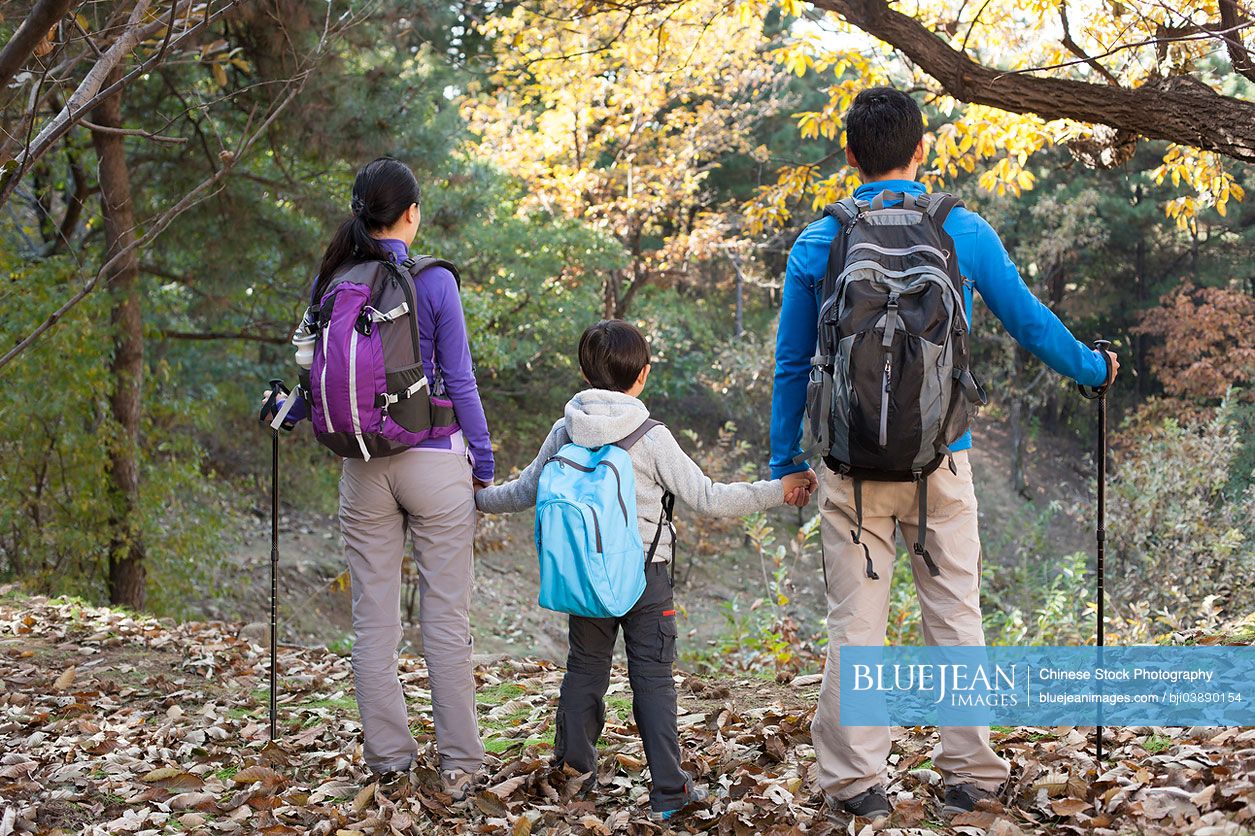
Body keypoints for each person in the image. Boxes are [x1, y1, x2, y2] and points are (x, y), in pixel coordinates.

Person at [769, 88, 1119, 819]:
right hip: (942, 463)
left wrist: (785, 462)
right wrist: (1093, 368)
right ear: (920, 150)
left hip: (848, 469)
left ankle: (855, 784)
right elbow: (1028, 321)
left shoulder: (818, 240)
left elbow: (792, 365)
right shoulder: (959, 230)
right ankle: (970, 775)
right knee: (954, 615)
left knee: (855, 625)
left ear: (849, 155)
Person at [475, 319, 795, 821]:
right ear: (642, 374)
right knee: (652, 678)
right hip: (645, 576)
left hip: (583, 575)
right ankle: (669, 792)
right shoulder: (651, 437)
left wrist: (476, 498)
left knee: (584, 670)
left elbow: (523, 491)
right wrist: (781, 489)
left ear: (584, 373)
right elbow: (710, 498)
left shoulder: (565, 430)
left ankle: (573, 777)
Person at [267, 157, 493, 798]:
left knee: (374, 624)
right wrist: (484, 457)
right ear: (412, 213)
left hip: (361, 468)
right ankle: (461, 769)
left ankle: (390, 762)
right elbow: (462, 380)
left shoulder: (332, 278)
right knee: (446, 623)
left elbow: (319, 378)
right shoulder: (435, 282)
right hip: (435, 462)